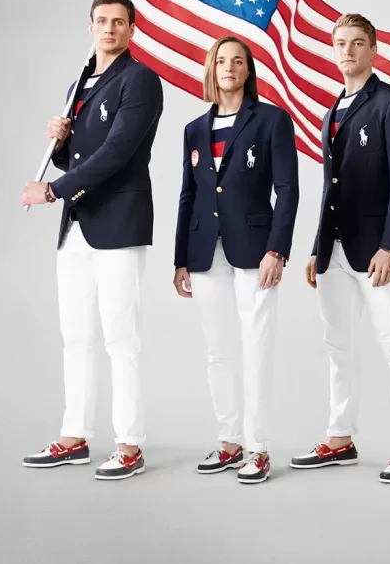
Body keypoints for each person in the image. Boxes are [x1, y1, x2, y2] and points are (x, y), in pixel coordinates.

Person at [21, 0, 164, 481]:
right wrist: (60, 143)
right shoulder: (78, 83)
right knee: (75, 335)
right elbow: (78, 158)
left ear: (131, 30)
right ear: (90, 26)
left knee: (120, 336)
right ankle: (74, 436)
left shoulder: (140, 80)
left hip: (118, 222)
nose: (109, 30)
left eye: (119, 22)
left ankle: (130, 444)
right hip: (77, 228)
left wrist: (53, 190)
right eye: (101, 21)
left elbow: (118, 152)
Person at [291, 13, 390, 484]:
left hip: (378, 253)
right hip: (334, 251)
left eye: (357, 43)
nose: (347, 51)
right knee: (338, 348)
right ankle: (339, 438)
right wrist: (315, 247)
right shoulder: (333, 110)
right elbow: (331, 187)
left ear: (373, 50)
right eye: (340, 43)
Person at [173, 36, 299, 484]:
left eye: (237, 61)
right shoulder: (193, 129)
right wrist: (180, 259)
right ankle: (229, 441)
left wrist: (277, 249)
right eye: (221, 61)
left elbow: (287, 189)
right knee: (218, 351)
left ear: (248, 71)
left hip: (255, 249)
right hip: (205, 251)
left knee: (256, 347)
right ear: (212, 70)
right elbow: (188, 196)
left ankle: (258, 447)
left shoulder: (271, 121)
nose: (229, 67)